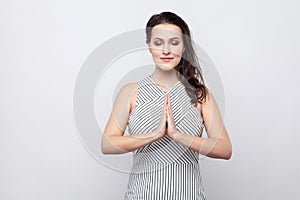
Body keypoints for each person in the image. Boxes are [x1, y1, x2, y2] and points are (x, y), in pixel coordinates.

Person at [101, 11, 232, 200]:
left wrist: (178, 136)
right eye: (158, 43)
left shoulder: (200, 95)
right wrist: (154, 135)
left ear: (183, 47)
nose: (166, 50)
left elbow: (225, 149)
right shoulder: (130, 92)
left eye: (174, 42)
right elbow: (107, 144)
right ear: (149, 46)